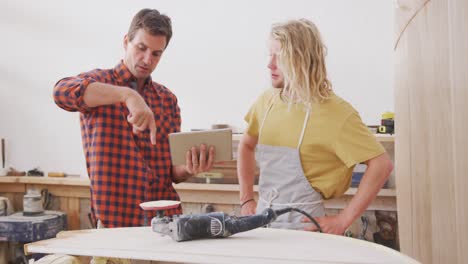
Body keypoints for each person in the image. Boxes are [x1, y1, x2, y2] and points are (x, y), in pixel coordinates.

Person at [53, 8, 214, 228]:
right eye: (141, 48)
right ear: (126, 41)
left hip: (165, 221)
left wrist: (190, 167)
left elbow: (172, 172)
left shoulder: (167, 100)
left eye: (156, 53)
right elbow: (61, 92)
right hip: (116, 221)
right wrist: (127, 95)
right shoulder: (99, 82)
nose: (147, 59)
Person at [237, 19, 393, 235]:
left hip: (305, 229)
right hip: (261, 225)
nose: (270, 64)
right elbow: (246, 145)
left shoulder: (337, 113)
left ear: (301, 59)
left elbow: (381, 164)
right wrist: (246, 199)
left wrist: (342, 220)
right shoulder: (266, 102)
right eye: (269, 54)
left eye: (280, 57)